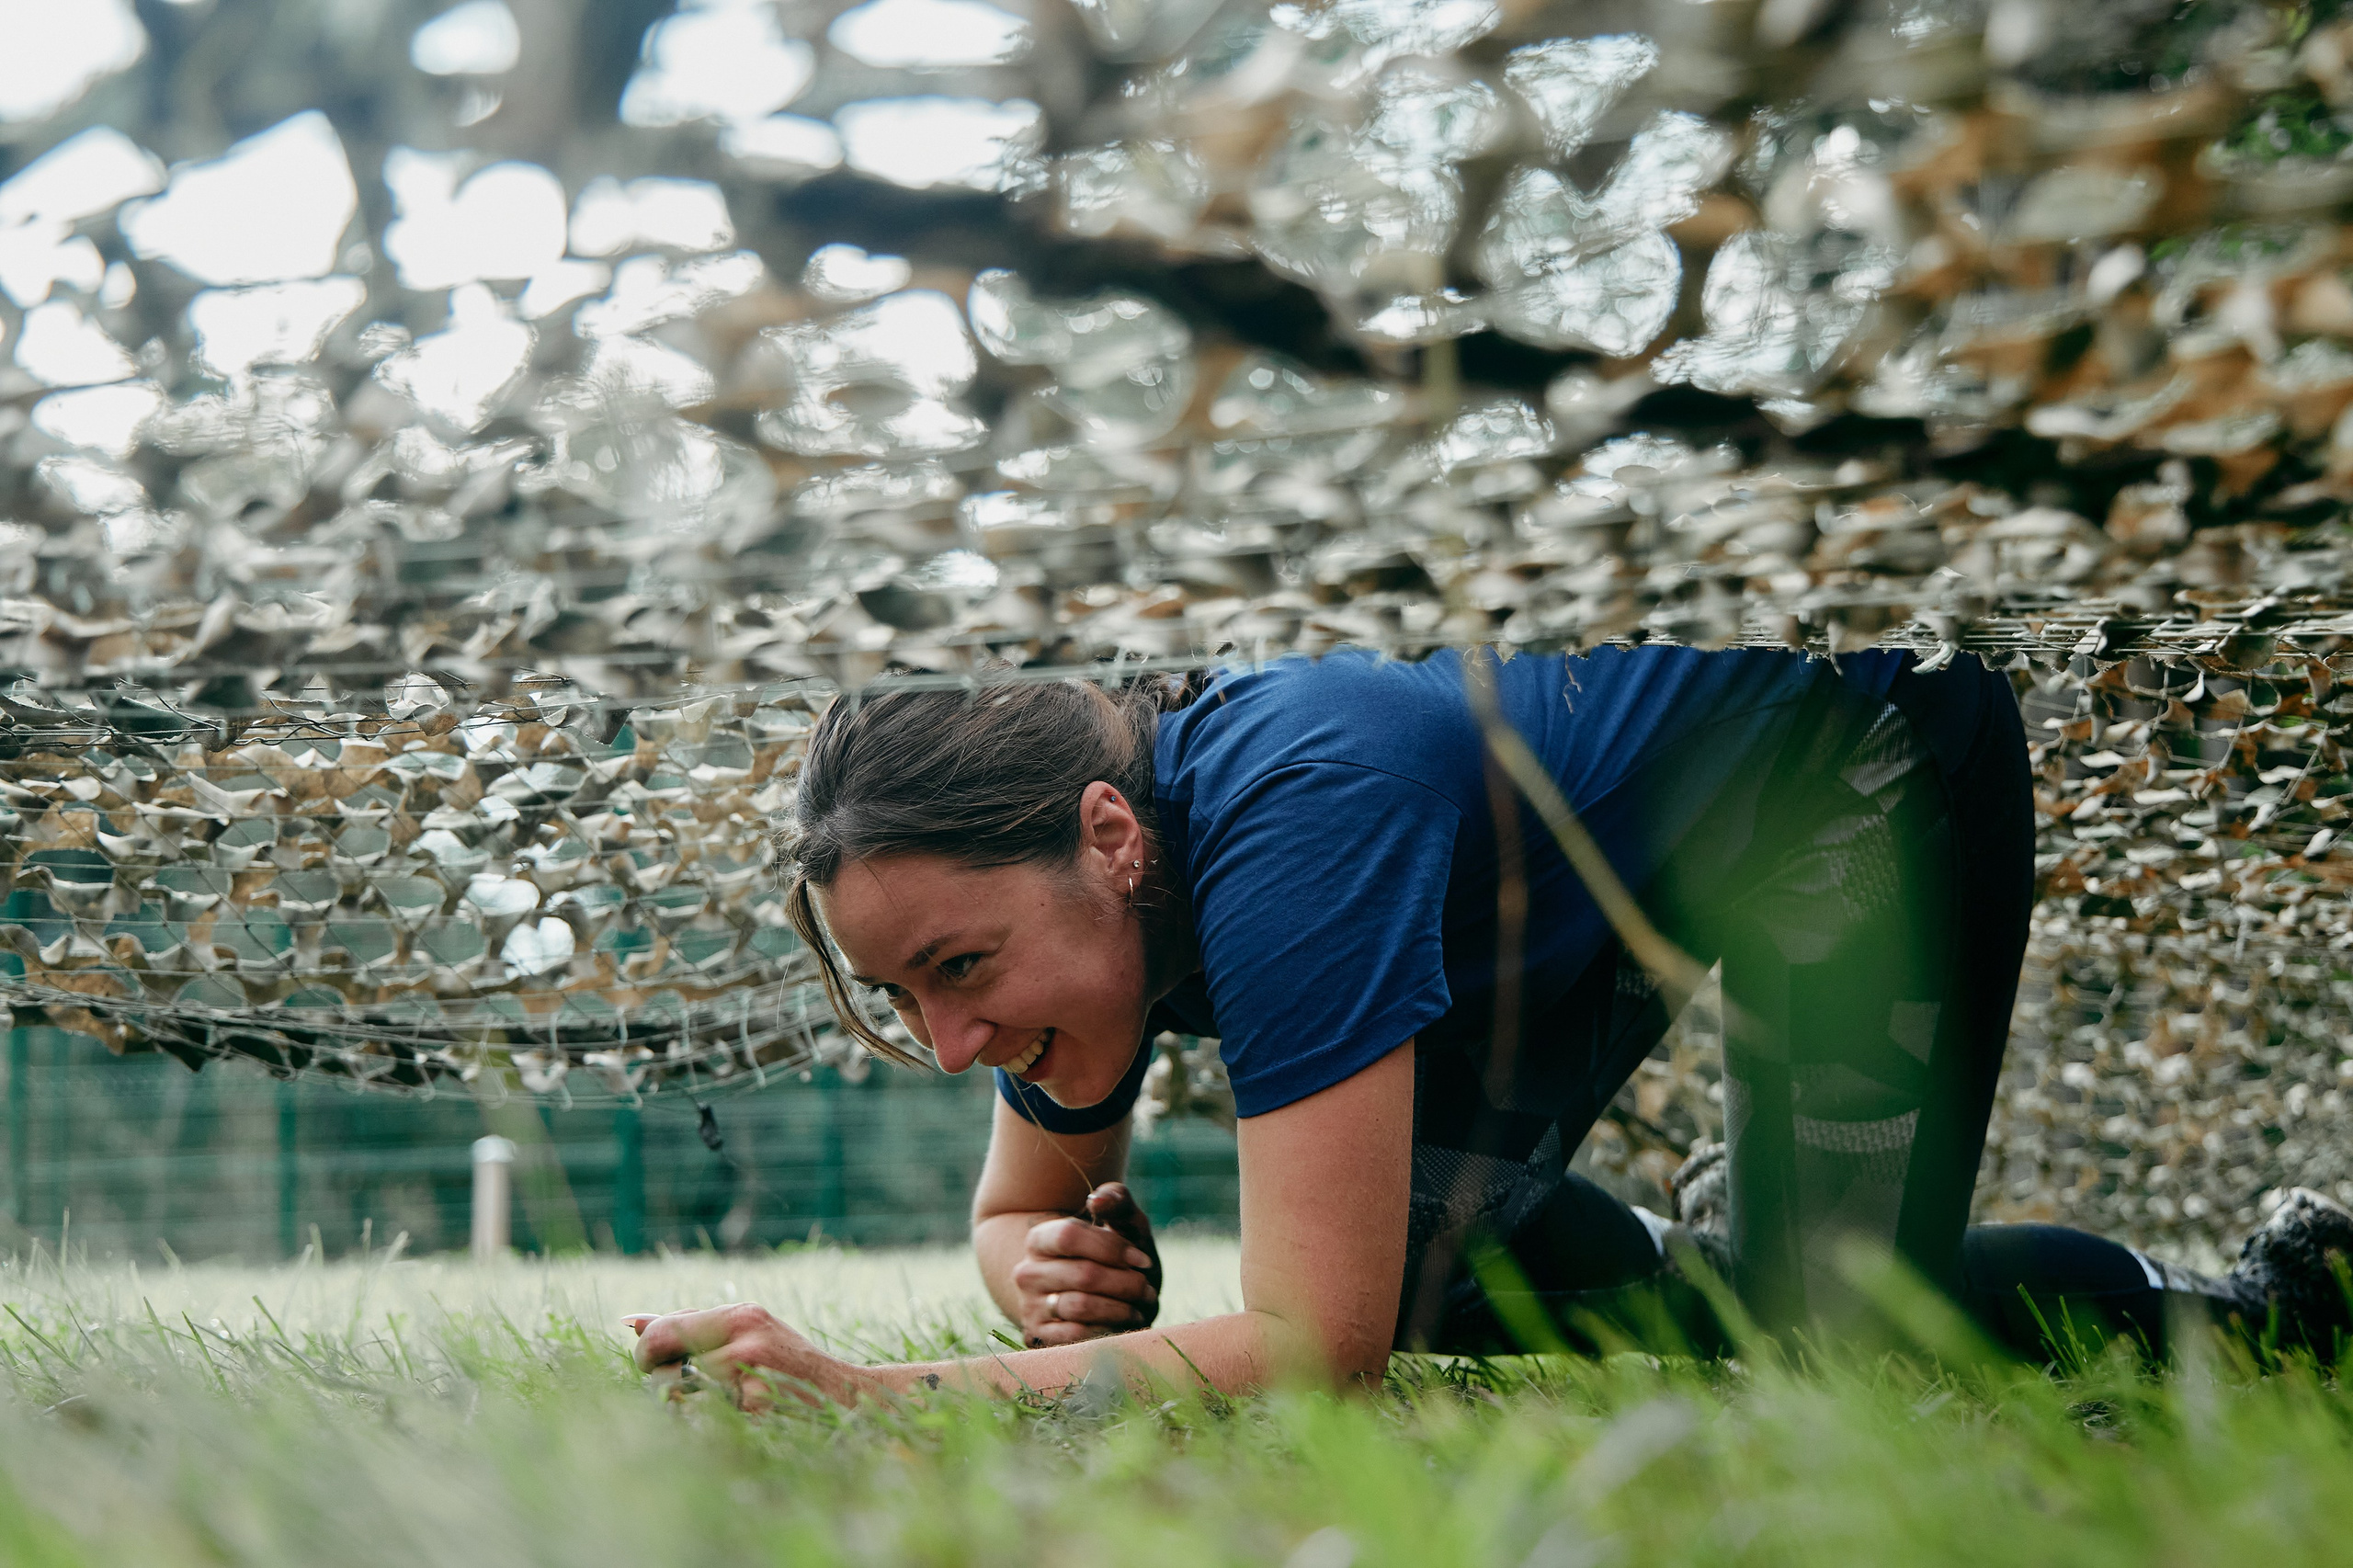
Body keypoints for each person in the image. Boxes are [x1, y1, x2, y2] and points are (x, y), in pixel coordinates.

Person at [628, 646, 2353, 1410]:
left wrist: (880, 1391)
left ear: (1108, 836)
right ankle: (1744, 1241)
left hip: (1849, 763)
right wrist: (1045, 1278)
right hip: (1578, 873)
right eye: (905, 992)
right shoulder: (1093, 903)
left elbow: (1313, 1346)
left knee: (1837, 1336)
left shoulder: (1293, 816)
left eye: (958, 965)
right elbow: (1017, 1211)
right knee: (1422, 1249)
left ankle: (2278, 1310)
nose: (945, 1041)